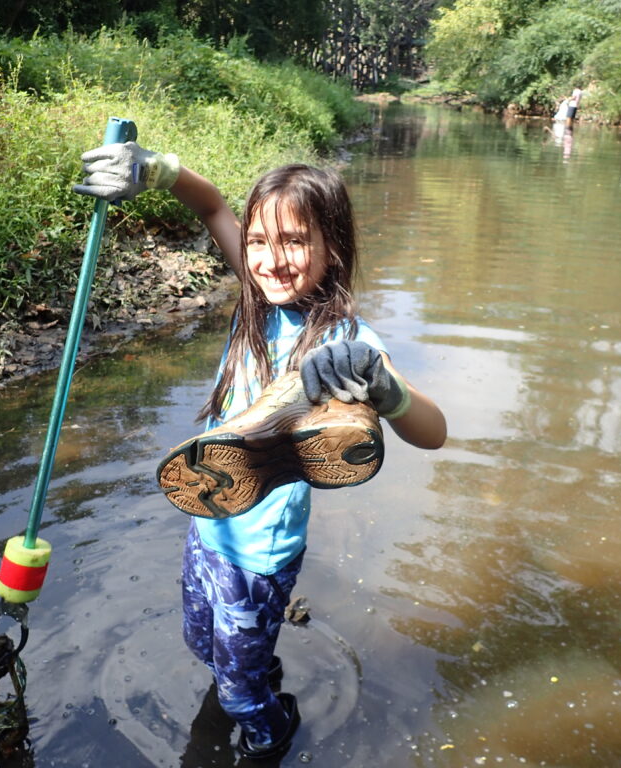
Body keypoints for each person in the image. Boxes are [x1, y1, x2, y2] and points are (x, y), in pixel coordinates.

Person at [74, 142, 447, 759]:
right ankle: (260, 675)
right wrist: (154, 170)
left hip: (261, 554)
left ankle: (272, 737)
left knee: (240, 692)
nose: (273, 261)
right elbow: (213, 202)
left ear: (335, 247)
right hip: (210, 514)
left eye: (296, 241)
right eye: (258, 242)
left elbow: (434, 431)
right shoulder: (255, 296)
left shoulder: (348, 340)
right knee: (202, 644)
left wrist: (386, 389)